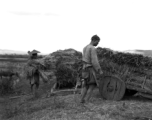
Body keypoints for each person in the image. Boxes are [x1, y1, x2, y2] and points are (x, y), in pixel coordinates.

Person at [80, 35, 103, 103]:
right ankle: (86, 101)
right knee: (92, 85)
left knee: (85, 85)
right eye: (97, 42)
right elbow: (94, 61)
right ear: (94, 40)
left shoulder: (85, 47)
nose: (97, 43)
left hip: (84, 68)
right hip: (89, 69)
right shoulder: (92, 48)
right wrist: (99, 70)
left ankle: (82, 100)